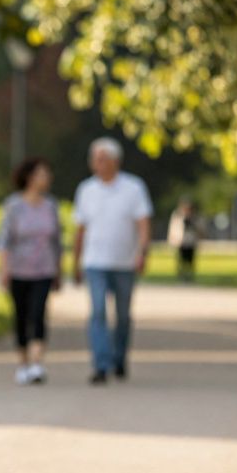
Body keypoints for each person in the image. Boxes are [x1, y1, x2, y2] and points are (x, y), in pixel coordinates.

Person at [72, 137, 152, 385]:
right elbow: (80, 229)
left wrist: (142, 252)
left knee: (123, 315)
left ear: (115, 161)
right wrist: (75, 261)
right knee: (97, 312)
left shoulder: (133, 188)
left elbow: (143, 225)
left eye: (102, 159)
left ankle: (119, 358)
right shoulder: (86, 190)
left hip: (124, 262)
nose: (97, 163)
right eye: (94, 159)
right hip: (94, 261)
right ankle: (101, 364)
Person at [0, 158, 62, 385]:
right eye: (43, 174)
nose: (47, 178)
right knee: (21, 316)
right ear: (30, 177)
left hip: (44, 269)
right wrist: (4, 269)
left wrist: (58, 270)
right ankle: (23, 363)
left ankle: (36, 364)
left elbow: (57, 241)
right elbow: (4, 241)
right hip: (18, 269)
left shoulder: (51, 206)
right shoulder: (14, 206)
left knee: (38, 314)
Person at [167, 198, 203, 281]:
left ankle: (189, 275)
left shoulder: (195, 217)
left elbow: (200, 229)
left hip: (191, 242)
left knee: (190, 260)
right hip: (181, 241)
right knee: (181, 259)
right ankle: (181, 275)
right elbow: (173, 228)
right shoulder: (177, 216)